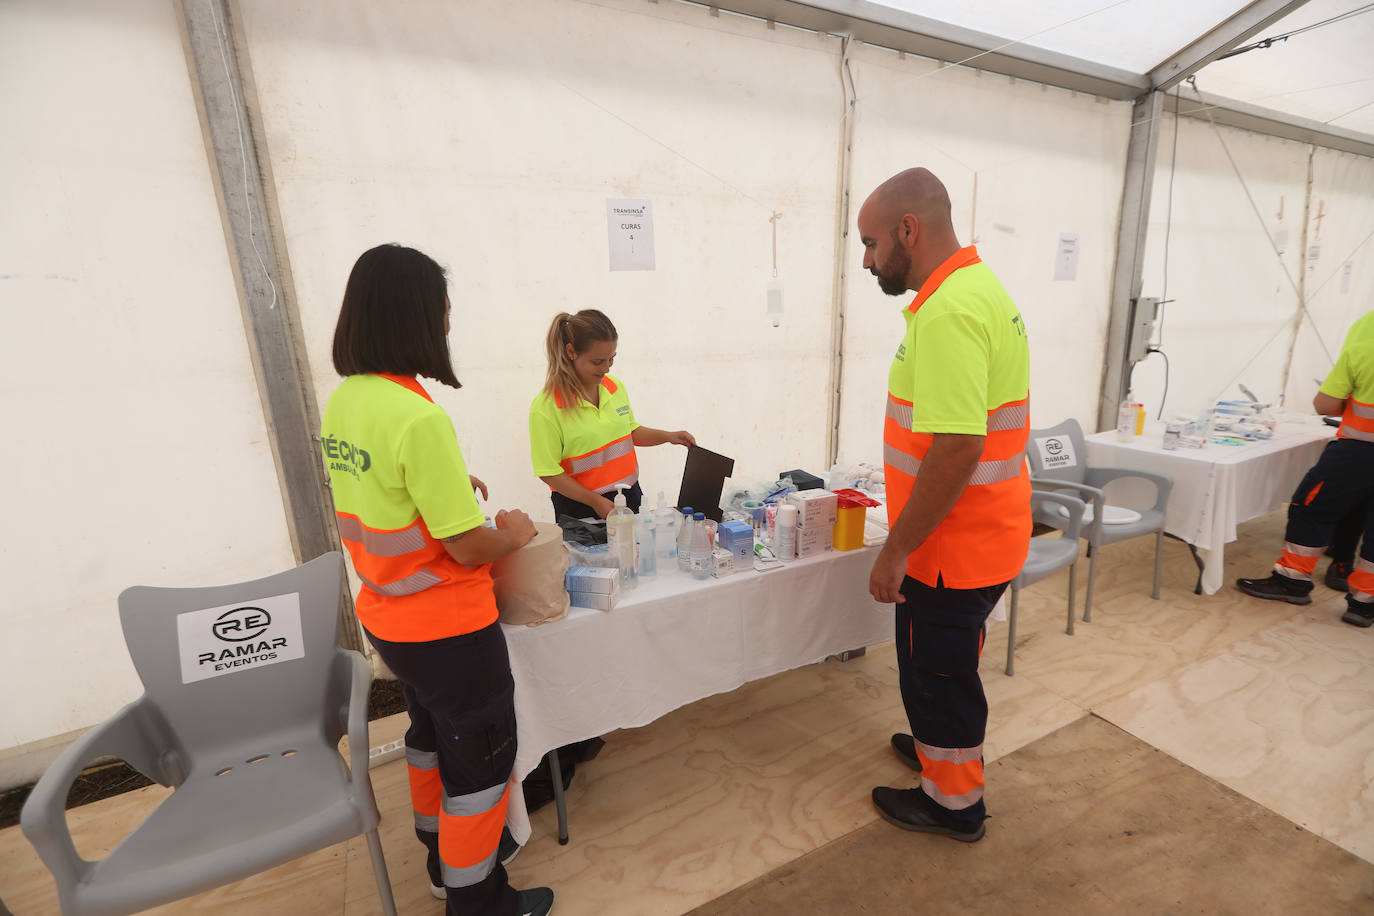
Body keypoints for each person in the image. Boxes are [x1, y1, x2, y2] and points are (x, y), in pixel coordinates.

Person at [320, 244, 553, 916]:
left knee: (428, 740)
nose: (449, 322)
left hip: (388, 618)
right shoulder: (419, 416)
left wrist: (451, 484)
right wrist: (515, 532)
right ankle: (479, 900)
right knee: (479, 767)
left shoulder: (350, 400)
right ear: (415, 316)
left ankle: (439, 863)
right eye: (443, 309)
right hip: (449, 630)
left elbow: (383, 491)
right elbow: (466, 542)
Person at [857, 168, 1031, 843]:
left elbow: (957, 448)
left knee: (938, 673)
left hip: (948, 551)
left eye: (871, 244)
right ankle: (937, 748)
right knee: (945, 666)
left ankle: (952, 804)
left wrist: (895, 549)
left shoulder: (950, 311)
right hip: (986, 533)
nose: (867, 260)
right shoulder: (978, 288)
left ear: (909, 229)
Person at [1237, 310, 1374, 627]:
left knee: (1312, 507)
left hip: (1359, 451)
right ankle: (1364, 605)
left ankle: (1291, 581)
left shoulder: (1365, 333)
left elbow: (1325, 405)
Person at [528, 309, 695, 520]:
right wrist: (594, 501)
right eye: (597, 362)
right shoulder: (546, 408)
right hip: (580, 509)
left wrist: (668, 436)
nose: (606, 368)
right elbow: (548, 471)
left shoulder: (614, 387)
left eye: (611, 359)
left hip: (629, 497)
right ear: (571, 352)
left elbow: (630, 432)